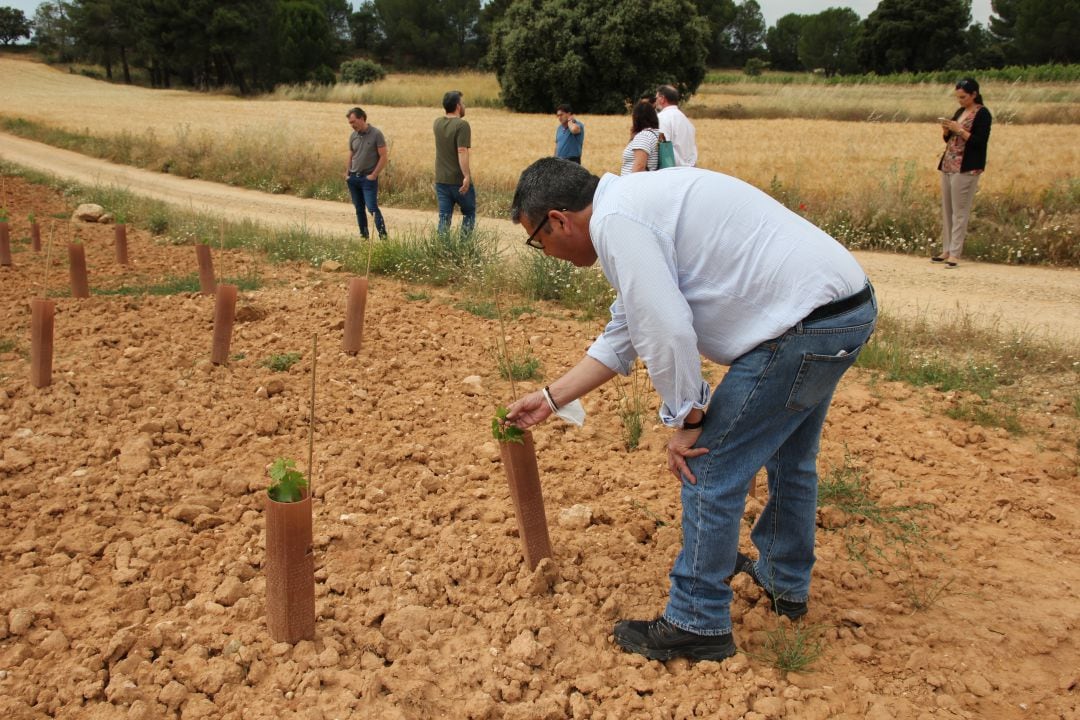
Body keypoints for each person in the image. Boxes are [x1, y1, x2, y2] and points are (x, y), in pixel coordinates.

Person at [505, 158, 876, 662]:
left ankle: (697, 621)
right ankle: (784, 582)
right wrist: (552, 398)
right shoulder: (632, 205)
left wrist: (687, 420)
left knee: (707, 462)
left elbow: (667, 332)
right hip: (841, 312)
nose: (545, 253)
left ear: (558, 220)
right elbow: (629, 330)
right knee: (790, 457)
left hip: (803, 326)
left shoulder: (619, 224)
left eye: (537, 240)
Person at [933, 78, 991, 269]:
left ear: (974, 94)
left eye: (963, 97)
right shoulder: (960, 111)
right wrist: (946, 131)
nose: (960, 101)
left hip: (966, 167)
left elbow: (979, 142)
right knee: (948, 210)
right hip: (949, 164)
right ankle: (946, 249)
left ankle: (955, 253)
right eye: (957, 97)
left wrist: (960, 130)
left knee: (960, 211)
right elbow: (950, 140)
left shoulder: (983, 114)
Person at [433, 90, 475, 235]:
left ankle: (441, 249)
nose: (464, 106)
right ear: (458, 106)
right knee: (469, 213)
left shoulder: (437, 123)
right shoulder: (462, 125)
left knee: (444, 218)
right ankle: (464, 247)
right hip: (458, 180)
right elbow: (462, 151)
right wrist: (466, 176)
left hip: (441, 180)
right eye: (463, 103)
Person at [344, 107, 389, 239]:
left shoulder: (376, 134)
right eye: (350, 123)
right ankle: (364, 237)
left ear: (362, 118)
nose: (352, 125)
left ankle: (383, 237)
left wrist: (374, 175)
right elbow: (351, 154)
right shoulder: (353, 136)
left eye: (353, 122)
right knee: (359, 210)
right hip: (353, 178)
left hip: (367, 179)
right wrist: (347, 174)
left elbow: (383, 156)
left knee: (372, 209)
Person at [654, 84, 697, 167]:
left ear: (662, 99)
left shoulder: (661, 118)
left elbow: (664, 148)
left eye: (656, 98)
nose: (655, 101)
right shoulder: (687, 122)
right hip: (690, 171)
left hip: (672, 172)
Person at [619, 100, 660, 175]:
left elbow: (639, 166)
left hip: (633, 184)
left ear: (636, 118)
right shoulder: (656, 133)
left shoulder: (644, 136)